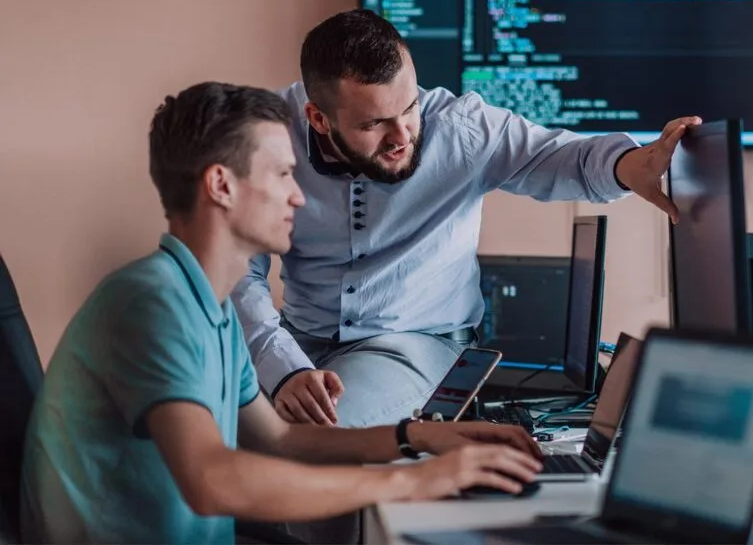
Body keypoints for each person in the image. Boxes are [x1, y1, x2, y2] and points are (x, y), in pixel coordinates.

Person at [19, 82, 542, 545]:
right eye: (282, 174)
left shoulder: (210, 308)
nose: (298, 197)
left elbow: (279, 438)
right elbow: (212, 480)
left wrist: (418, 438)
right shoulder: (151, 303)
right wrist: (416, 479)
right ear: (221, 185)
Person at [232, 8, 701, 428]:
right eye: (374, 124)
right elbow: (237, 271)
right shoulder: (268, 137)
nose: (402, 137)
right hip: (296, 339)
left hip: (415, 343)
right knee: (202, 426)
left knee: (319, 432)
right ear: (318, 118)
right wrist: (284, 366)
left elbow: (568, 160)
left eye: (409, 107)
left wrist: (636, 166)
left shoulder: (462, 128)